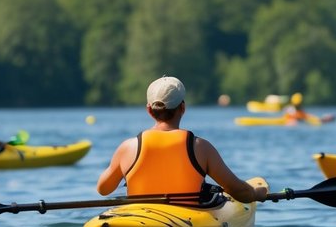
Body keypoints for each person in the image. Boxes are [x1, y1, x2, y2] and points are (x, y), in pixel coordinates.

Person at [97, 76, 268, 203]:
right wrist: (256, 194)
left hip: (139, 217)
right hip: (185, 220)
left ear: (149, 110)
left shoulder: (128, 147)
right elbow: (239, 191)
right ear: (183, 108)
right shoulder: (200, 147)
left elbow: (103, 189)